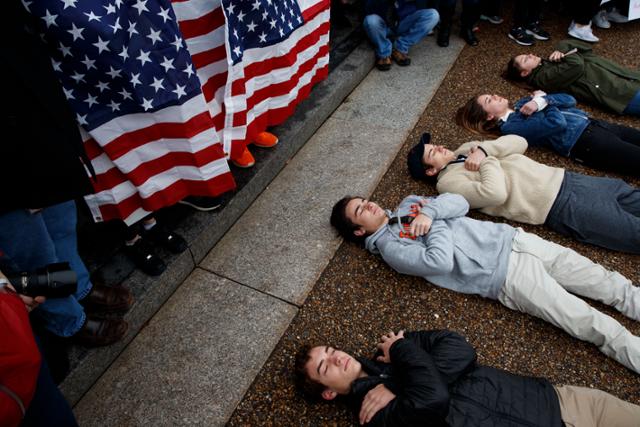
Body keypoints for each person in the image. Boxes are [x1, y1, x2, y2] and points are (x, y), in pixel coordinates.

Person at [330, 192, 640, 373]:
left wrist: (430, 212)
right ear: (358, 230)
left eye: (365, 200)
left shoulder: (410, 202)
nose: (369, 205)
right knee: (589, 322)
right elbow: (440, 261)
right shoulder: (391, 250)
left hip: (515, 240)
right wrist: (432, 222)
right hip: (506, 276)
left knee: (607, 282)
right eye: (360, 210)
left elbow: (459, 203)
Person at [296, 329, 640, 426]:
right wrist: (405, 359)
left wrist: (397, 377)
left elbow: (458, 348)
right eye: (325, 367)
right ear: (328, 393)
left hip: (561, 401)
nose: (336, 357)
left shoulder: (395, 352)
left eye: (329, 350)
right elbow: (433, 399)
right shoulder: (374, 414)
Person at [406, 133, 640, 254]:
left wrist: (485, 149)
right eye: (431, 153)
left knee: (631, 196)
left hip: (568, 179)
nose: (437, 146)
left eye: (433, 144)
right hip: (558, 207)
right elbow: (495, 194)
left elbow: (520, 142)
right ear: (431, 171)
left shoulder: (468, 147)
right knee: (633, 232)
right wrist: (486, 159)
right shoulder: (448, 183)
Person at [455, 92, 640, 177]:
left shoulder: (522, 103)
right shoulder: (511, 128)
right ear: (489, 116)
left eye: (492, 94)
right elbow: (556, 123)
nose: (495, 95)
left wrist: (542, 100)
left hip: (595, 124)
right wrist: (542, 102)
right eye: (489, 100)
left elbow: (569, 100)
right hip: (585, 141)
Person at [505, 39, 640, 116]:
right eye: (525, 59)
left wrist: (562, 47)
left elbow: (586, 48)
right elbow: (577, 65)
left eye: (526, 54)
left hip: (624, 80)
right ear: (525, 72)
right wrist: (566, 52)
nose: (529, 55)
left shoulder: (548, 63)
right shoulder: (543, 78)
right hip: (620, 93)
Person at [363, 0, 440, 71]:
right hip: (383, 25)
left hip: (403, 21)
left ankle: (400, 48)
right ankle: (384, 53)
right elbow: (368, 8)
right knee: (371, 21)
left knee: (433, 15)